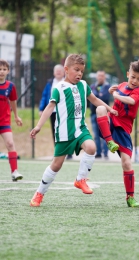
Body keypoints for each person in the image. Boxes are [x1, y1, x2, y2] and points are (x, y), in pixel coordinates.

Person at [29, 54, 119, 207]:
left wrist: (110, 109)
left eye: (82, 71)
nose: (79, 74)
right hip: (64, 132)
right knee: (56, 165)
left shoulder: (83, 85)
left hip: (80, 128)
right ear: (66, 69)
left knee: (91, 147)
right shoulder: (59, 88)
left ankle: (80, 179)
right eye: (76, 70)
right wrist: (38, 126)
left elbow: (95, 100)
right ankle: (39, 193)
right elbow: (49, 108)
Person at [96, 59, 139, 208]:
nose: (135, 81)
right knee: (100, 109)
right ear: (128, 74)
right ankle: (109, 141)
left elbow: (131, 101)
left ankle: (130, 197)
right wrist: (111, 91)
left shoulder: (138, 90)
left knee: (126, 163)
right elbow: (115, 94)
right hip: (111, 121)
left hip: (123, 129)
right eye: (133, 77)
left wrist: (116, 95)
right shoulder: (120, 86)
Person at [39, 65, 73, 159]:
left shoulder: (68, 82)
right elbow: (45, 96)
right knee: (55, 132)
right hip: (53, 112)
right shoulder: (50, 83)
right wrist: (41, 109)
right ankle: (58, 152)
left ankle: (69, 153)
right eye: (56, 71)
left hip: (65, 111)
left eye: (60, 71)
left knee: (67, 131)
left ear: (64, 72)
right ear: (54, 73)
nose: (58, 72)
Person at [0, 59, 23, 181]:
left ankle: (14, 171)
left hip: (4, 122)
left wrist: (16, 116)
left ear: (8, 71)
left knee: (10, 144)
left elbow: (13, 102)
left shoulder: (10, 86)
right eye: (0, 69)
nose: (1, 72)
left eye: (4, 69)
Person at [90, 71, 110, 159]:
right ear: (96, 77)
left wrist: (96, 97)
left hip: (104, 115)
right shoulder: (92, 86)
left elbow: (105, 97)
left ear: (104, 77)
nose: (100, 77)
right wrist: (97, 96)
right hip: (94, 114)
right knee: (96, 134)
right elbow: (91, 98)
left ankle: (105, 152)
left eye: (102, 76)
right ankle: (98, 152)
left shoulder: (107, 87)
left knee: (105, 133)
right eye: (99, 76)